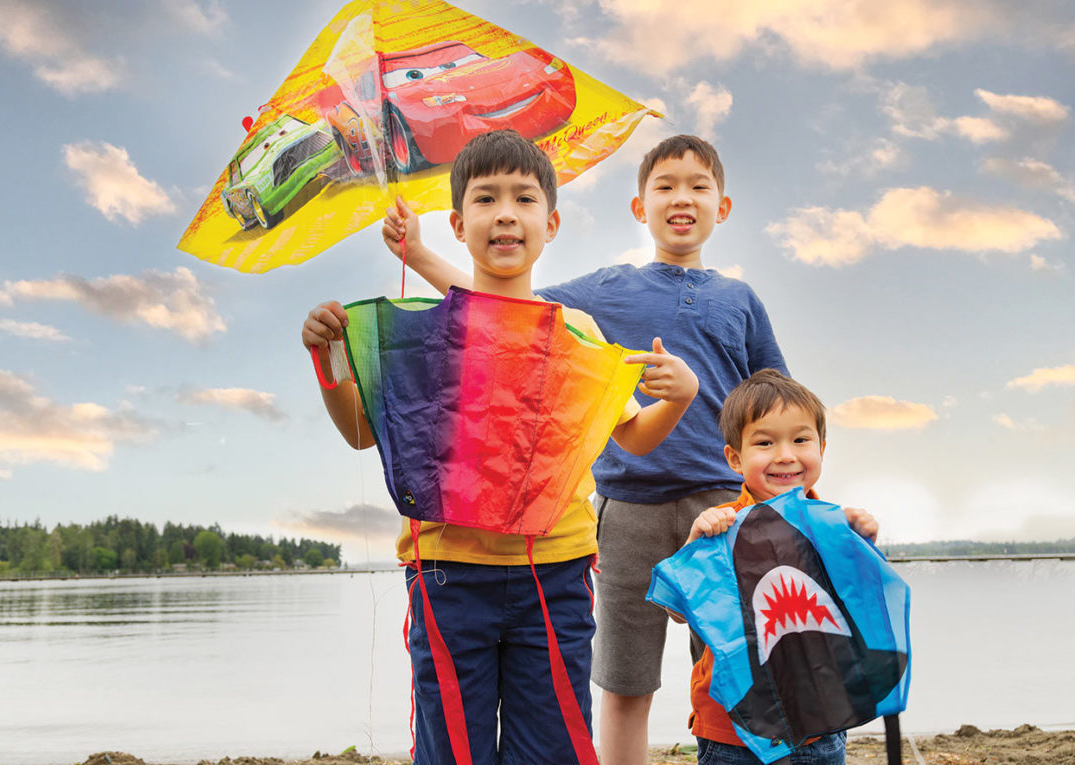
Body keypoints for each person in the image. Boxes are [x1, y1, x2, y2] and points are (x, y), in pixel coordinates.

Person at [382, 135, 787, 764]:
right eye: (665, 186)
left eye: (698, 186)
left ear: (723, 206)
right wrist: (421, 256)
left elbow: (777, 399)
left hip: (724, 499)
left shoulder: (741, 299)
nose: (681, 198)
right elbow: (505, 306)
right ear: (639, 206)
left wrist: (789, 490)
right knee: (625, 677)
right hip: (625, 506)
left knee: (741, 666)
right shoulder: (600, 291)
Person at [302, 129, 700, 765]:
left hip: (557, 572)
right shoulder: (426, 332)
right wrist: (330, 364)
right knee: (454, 749)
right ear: (459, 225)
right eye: (486, 199)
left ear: (552, 223)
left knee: (553, 747)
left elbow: (632, 436)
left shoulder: (576, 330)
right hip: (447, 571)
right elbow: (359, 432)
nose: (506, 213)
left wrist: (679, 398)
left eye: (524, 198)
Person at [668, 368, 879, 765]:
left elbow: (862, 608)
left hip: (821, 723)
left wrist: (862, 544)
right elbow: (679, 613)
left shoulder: (833, 527)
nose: (785, 455)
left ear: (822, 448)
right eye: (765, 442)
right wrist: (694, 545)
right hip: (732, 729)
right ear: (735, 458)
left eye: (800, 440)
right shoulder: (721, 527)